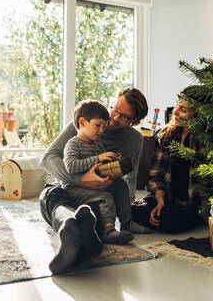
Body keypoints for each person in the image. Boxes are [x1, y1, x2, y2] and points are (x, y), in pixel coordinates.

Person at [39, 88, 149, 274]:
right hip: (71, 189)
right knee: (50, 194)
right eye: (115, 110)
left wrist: (127, 213)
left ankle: (84, 235)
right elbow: (47, 158)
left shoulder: (134, 140)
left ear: (133, 122)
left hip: (102, 196)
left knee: (104, 204)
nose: (114, 118)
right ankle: (71, 226)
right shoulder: (87, 121)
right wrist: (82, 181)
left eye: (123, 117)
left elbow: (130, 176)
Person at [62, 99, 149, 245]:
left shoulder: (98, 145)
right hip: (75, 188)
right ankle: (109, 230)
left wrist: (113, 163)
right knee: (105, 196)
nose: (102, 130)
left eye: (103, 126)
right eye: (98, 125)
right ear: (82, 122)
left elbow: (101, 165)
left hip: (94, 183)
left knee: (121, 185)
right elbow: (71, 166)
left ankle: (127, 222)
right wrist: (97, 158)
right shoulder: (73, 144)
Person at [131, 86, 203, 233]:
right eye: (177, 104)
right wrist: (160, 201)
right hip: (166, 197)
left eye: (183, 109)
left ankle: (163, 218)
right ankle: (160, 214)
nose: (174, 112)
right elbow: (155, 174)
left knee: (171, 220)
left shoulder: (205, 141)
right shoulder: (164, 134)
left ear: (197, 115)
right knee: (132, 211)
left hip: (190, 204)